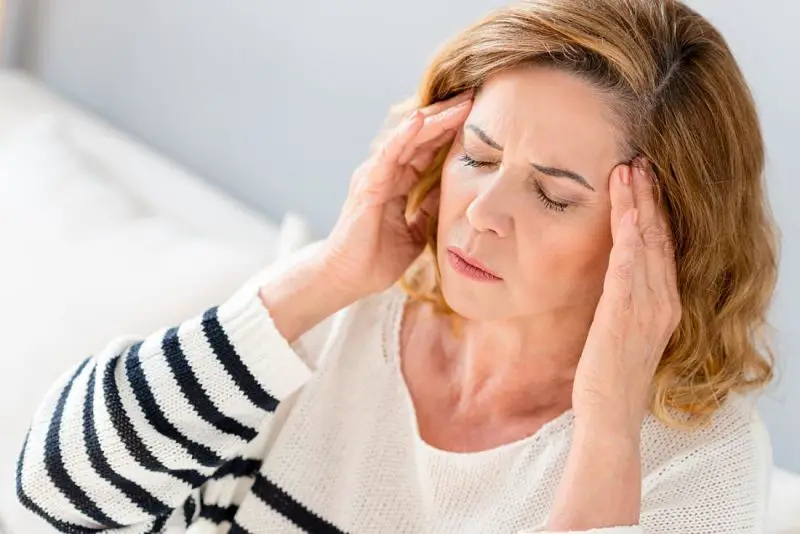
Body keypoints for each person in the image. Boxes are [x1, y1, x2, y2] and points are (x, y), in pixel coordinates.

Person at [16, 0, 779, 532]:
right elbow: (53, 494)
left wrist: (608, 426)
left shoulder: (696, 464)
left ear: (661, 242)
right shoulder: (331, 320)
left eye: (553, 195)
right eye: (477, 156)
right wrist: (324, 279)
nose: (483, 211)